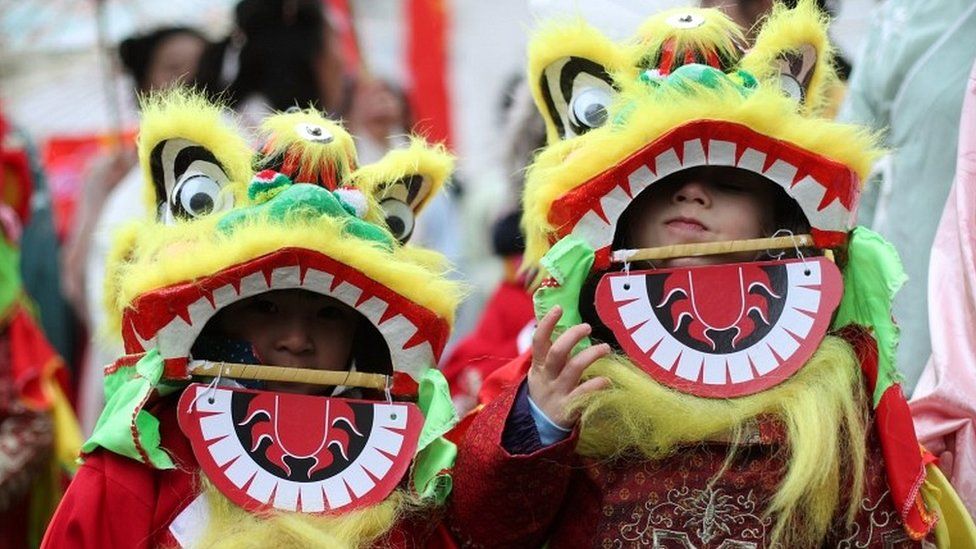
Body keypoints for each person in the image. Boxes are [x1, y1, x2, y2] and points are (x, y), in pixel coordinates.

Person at [447, 3, 975, 547]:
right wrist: (540, 424)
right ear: (620, 215)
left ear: (780, 216)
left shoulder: (836, 369)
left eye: (729, 180)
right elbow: (484, 525)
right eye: (658, 180)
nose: (692, 193)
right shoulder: (568, 364)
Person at [42, 91, 462, 548]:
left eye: (328, 314)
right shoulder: (141, 461)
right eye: (266, 307)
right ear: (218, 317)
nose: (297, 340)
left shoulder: (404, 463)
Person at [66, 26, 212, 434]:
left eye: (203, 64)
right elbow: (78, 283)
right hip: (124, 356)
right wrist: (101, 197)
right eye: (173, 67)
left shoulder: (230, 162)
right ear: (144, 82)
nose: (190, 77)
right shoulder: (111, 173)